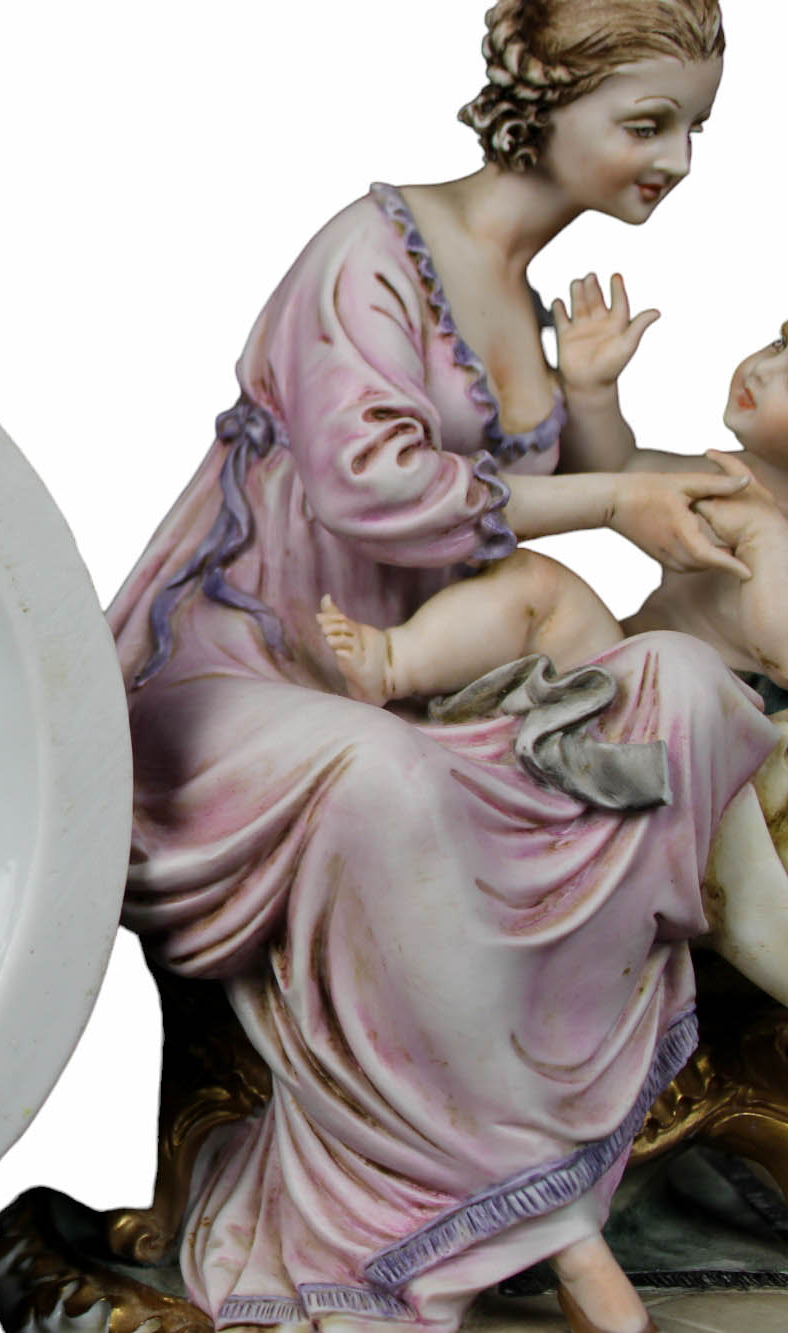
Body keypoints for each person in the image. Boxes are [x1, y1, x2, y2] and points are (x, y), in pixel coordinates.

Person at [107, 3, 781, 1329]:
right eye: (648, 124)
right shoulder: (369, 252)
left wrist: (599, 418)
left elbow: (580, 489)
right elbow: (374, 493)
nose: (677, 161)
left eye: (695, 129)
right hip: (250, 669)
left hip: (433, 676)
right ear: (545, 106)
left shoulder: (525, 300)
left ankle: (579, 1122)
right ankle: (547, 1223)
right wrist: (611, 504)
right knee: (380, 777)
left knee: (686, 691)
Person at [318, 312, 788, 706]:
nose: (763, 371)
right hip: (622, 660)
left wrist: (765, 535)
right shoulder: (733, 475)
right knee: (526, 578)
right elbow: (624, 472)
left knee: (542, 585)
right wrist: (591, 393)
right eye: (779, 345)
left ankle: (392, 667)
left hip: (695, 709)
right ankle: (402, 665)